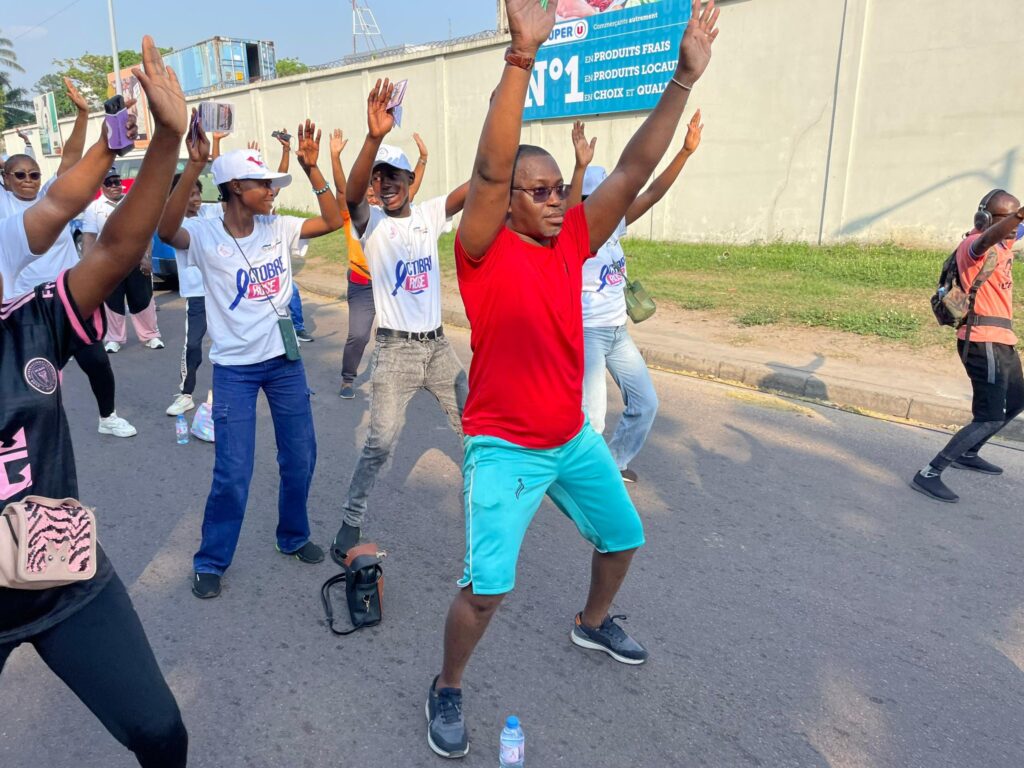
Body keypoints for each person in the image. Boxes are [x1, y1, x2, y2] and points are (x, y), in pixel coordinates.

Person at [424, 0, 719, 757]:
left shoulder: (574, 236)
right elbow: (489, 170)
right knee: (486, 592)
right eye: (541, 191)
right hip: (504, 447)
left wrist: (682, 80)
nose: (558, 199)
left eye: (561, 188)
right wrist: (520, 58)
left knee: (623, 537)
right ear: (509, 202)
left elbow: (632, 169)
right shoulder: (482, 249)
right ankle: (448, 686)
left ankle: (591, 623)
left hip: (570, 440)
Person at [0, 36, 188, 765]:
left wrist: (166, 138)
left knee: (161, 732)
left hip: (59, 575)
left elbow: (111, 250)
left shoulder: (30, 324)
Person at [159, 118, 344, 599]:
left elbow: (335, 220)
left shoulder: (279, 228)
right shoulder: (203, 234)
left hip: (285, 364)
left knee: (300, 457)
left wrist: (311, 167)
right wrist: (195, 164)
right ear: (236, 187)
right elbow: (164, 228)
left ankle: (293, 536)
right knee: (233, 472)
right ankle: (211, 559)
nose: (273, 190)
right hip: (235, 372)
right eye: (264, 183)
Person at [329, 80, 469, 562]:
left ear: (411, 181)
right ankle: (350, 520)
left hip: (438, 349)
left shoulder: (429, 215)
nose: (384, 184)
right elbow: (350, 196)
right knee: (380, 444)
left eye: (394, 177)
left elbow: (482, 180)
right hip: (395, 351)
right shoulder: (372, 225)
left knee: (473, 427)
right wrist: (370, 141)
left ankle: (486, 509)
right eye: (378, 178)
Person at [567, 111, 703, 483]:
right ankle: (584, 481)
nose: (602, 205)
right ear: (580, 202)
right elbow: (569, 211)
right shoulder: (572, 232)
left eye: (605, 197)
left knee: (645, 404)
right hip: (588, 331)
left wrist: (685, 153)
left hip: (616, 332)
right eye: (591, 199)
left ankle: (613, 465)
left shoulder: (615, 225)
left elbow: (653, 192)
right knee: (591, 417)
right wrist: (579, 169)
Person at [1, 79, 138, 440]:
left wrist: (82, 114)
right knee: (36, 378)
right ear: (5, 178)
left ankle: (107, 417)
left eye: (34, 174)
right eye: (20, 175)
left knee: (97, 363)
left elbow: (71, 160)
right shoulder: (3, 208)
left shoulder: (51, 196)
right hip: (24, 309)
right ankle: (29, 438)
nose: (29, 181)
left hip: (67, 300)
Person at [911, 189, 1024, 503]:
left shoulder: (1006, 239)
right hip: (981, 342)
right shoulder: (974, 246)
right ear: (986, 219)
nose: (1014, 227)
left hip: (1002, 341)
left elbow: (1014, 229)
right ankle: (929, 472)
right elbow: (987, 239)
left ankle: (969, 452)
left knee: (1016, 402)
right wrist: (1019, 216)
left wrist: (1017, 220)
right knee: (988, 416)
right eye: (1006, 219)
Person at [337, 130, 428, 399]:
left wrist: (422, 159)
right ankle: (347, 376)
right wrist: (334, 157)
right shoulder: (358, 217)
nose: (375, 195)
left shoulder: (390, 213)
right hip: (363, 283)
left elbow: (410, 189)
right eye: (371, 187)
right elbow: (344, 190)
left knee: (401, 333)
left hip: (390, 282)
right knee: (359, 335)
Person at [83, 167, 165, 352]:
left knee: (143, 299)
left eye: (117, 182)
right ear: (102, 186)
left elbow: (146, 234)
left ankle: (150, 336)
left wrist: (147, 258)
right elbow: (89, 237)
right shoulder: (94, 208)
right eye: (109, 183)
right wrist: (87, 266)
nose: (114, 186)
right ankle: (114, 339)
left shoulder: (134, 202)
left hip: (136, 260)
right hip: (107, 264)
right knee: (112, 302)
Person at [165, 173, 222, 417]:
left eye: (198, 193)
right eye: (190, 195)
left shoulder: (209, 213)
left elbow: (228, 192)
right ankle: (186, 394)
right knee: (194, 345)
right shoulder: (174, 222)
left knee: (224, 343)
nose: (196, 199)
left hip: (219, 291)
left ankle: (219, 392)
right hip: (197, 295)